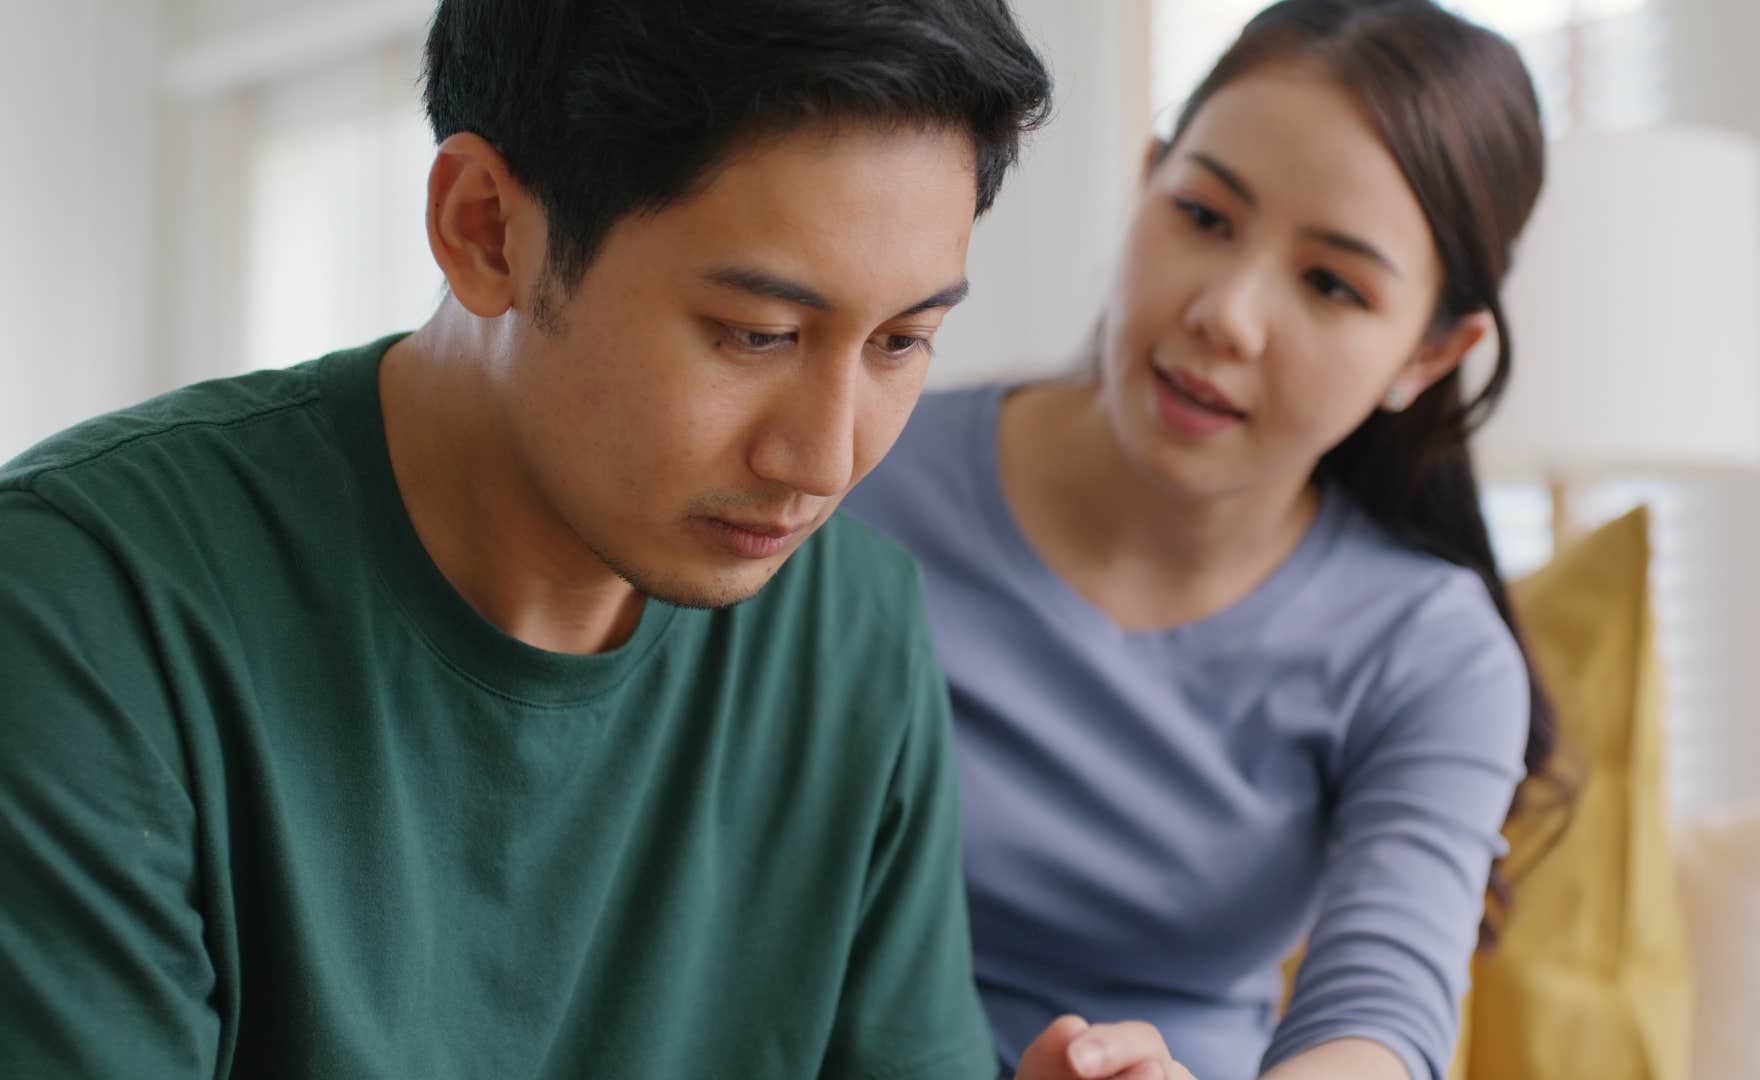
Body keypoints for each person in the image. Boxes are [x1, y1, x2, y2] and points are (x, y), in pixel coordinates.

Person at [0, 2, 1198, 1077]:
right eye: (756, 334)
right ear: (486, 232)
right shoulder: (83, 604)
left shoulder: (853, 631)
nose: (824, 463)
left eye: (900, 342)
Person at [842, 2, 1561, 1078]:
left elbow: (1381, 1020)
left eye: (1331, 283)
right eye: (1206, 217)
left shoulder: (1428, 652)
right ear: (1144, 183)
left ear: (1428, 353)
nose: (1227, 314)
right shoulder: (850, 467)